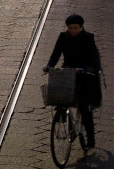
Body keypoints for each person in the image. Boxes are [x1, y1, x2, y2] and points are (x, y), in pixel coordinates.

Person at [43, 14, 102, 150]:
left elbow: (93, 58)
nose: (73, 30)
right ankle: (63, 116)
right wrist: (50, 66)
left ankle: (91, 139)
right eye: (70, 28)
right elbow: (56, 53)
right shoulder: (63, 37)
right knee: (60, 97)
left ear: (81, 27)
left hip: (84, 73)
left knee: (83, 106)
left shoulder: (88, 38)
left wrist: (87, 69)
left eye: (76, 28)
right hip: (68, 71)